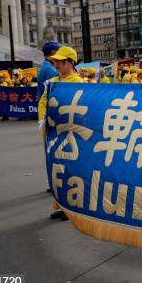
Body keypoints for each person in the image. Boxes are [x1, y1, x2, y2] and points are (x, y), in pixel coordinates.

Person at [38, 46, 84, 221]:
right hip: (53, 131)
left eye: (60, 61)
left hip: (70, 133)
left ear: (70, 62)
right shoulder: (52, 82)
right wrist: (42, 119)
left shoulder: (78, 83)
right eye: (55, 61)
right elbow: (43, 102)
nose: (56, 64)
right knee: (57, 168)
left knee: (72, 168)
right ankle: (60, 204)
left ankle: (72, 207)